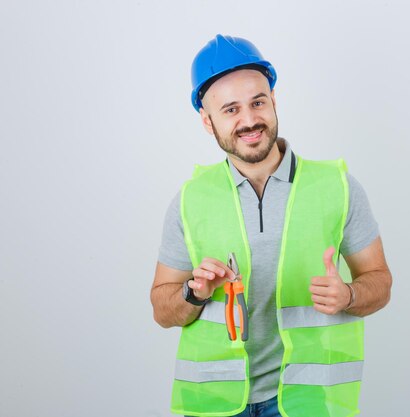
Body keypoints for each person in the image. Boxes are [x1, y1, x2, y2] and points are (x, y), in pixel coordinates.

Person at [150, 34, 392, 417]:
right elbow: (162, 310)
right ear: (207, 120)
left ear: (274, 100)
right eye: (230, 109)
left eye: (258, 102)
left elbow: (379, 281)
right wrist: (193, 293)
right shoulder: (190, 199)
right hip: (217, 405)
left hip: (306, 403)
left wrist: (349, 295)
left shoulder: (337, 187)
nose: (249, 120)